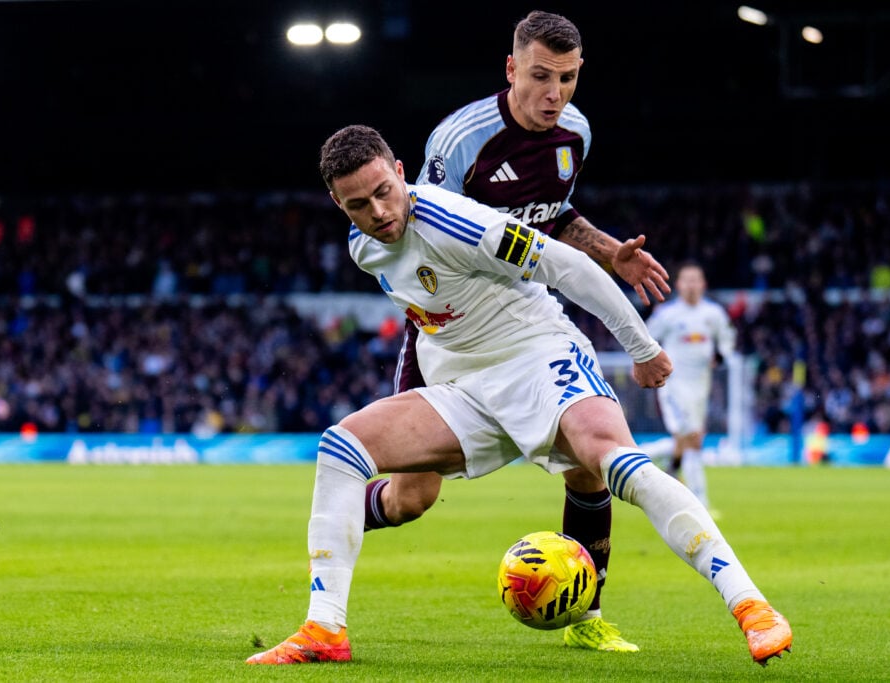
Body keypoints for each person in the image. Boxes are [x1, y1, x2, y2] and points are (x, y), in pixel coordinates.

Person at [246, 125, 792, 667]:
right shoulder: (362, 245)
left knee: (612, 461)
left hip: (537, 358)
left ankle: (751, 607)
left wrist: (642, 347)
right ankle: (325, 629)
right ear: (338, 204)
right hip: (465, 388)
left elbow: (567, 266)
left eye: (384, 192)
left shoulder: (456, 222)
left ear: (401, 173)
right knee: (342, 447)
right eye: (358, 205)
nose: (378, 212)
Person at [364, 10, 670, 653]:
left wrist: (610, 252)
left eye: (568, 78)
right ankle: (338, 511)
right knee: (411, 499)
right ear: (511, 69)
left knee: (587, 462)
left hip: (527, 320)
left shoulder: (576, 132)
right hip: (451, 332)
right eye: (540, 76)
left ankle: (587, 614)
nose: (555, 94)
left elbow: (554, 218)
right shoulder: (460, 140)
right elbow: (418, 229)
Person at [642, 262, 736, 512]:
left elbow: (727, 340)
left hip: (700, 386)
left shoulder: (713, 314)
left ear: (703, 284)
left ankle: (655, 463)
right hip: (673, 384)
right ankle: (700, 502)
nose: (692, 285)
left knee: (689, 439)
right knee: (692, 438)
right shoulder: (668, 314)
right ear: (679, 285)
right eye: (687, 280)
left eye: (696, 280)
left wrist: (720, 356)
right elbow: (645, 337)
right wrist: (647, 363)